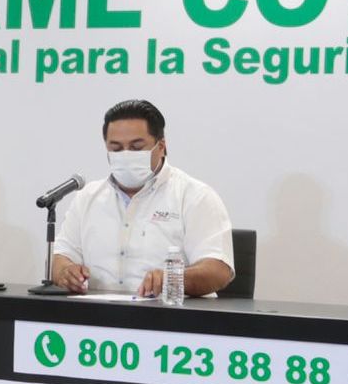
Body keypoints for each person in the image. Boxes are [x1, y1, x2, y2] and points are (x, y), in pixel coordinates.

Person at [52, 99, 234, 297]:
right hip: (98, 313)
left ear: (161, 146)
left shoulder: (195, 196)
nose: (126, 155)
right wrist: (66, 273)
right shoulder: (87, 197)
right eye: (116, 149)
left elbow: (218, 270)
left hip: (170, 312)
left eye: (137, 147)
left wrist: (172, 279)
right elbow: (61, 258)